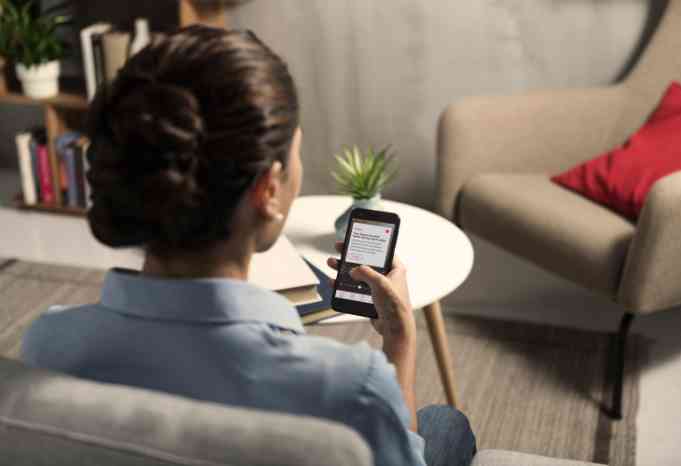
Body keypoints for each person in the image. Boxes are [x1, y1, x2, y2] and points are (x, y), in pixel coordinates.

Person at [20, 26, 475, 466]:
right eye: (296, 153)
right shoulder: (355, 389)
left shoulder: (49, 342)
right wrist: (399, 344)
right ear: (269, 189)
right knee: (446, 424)